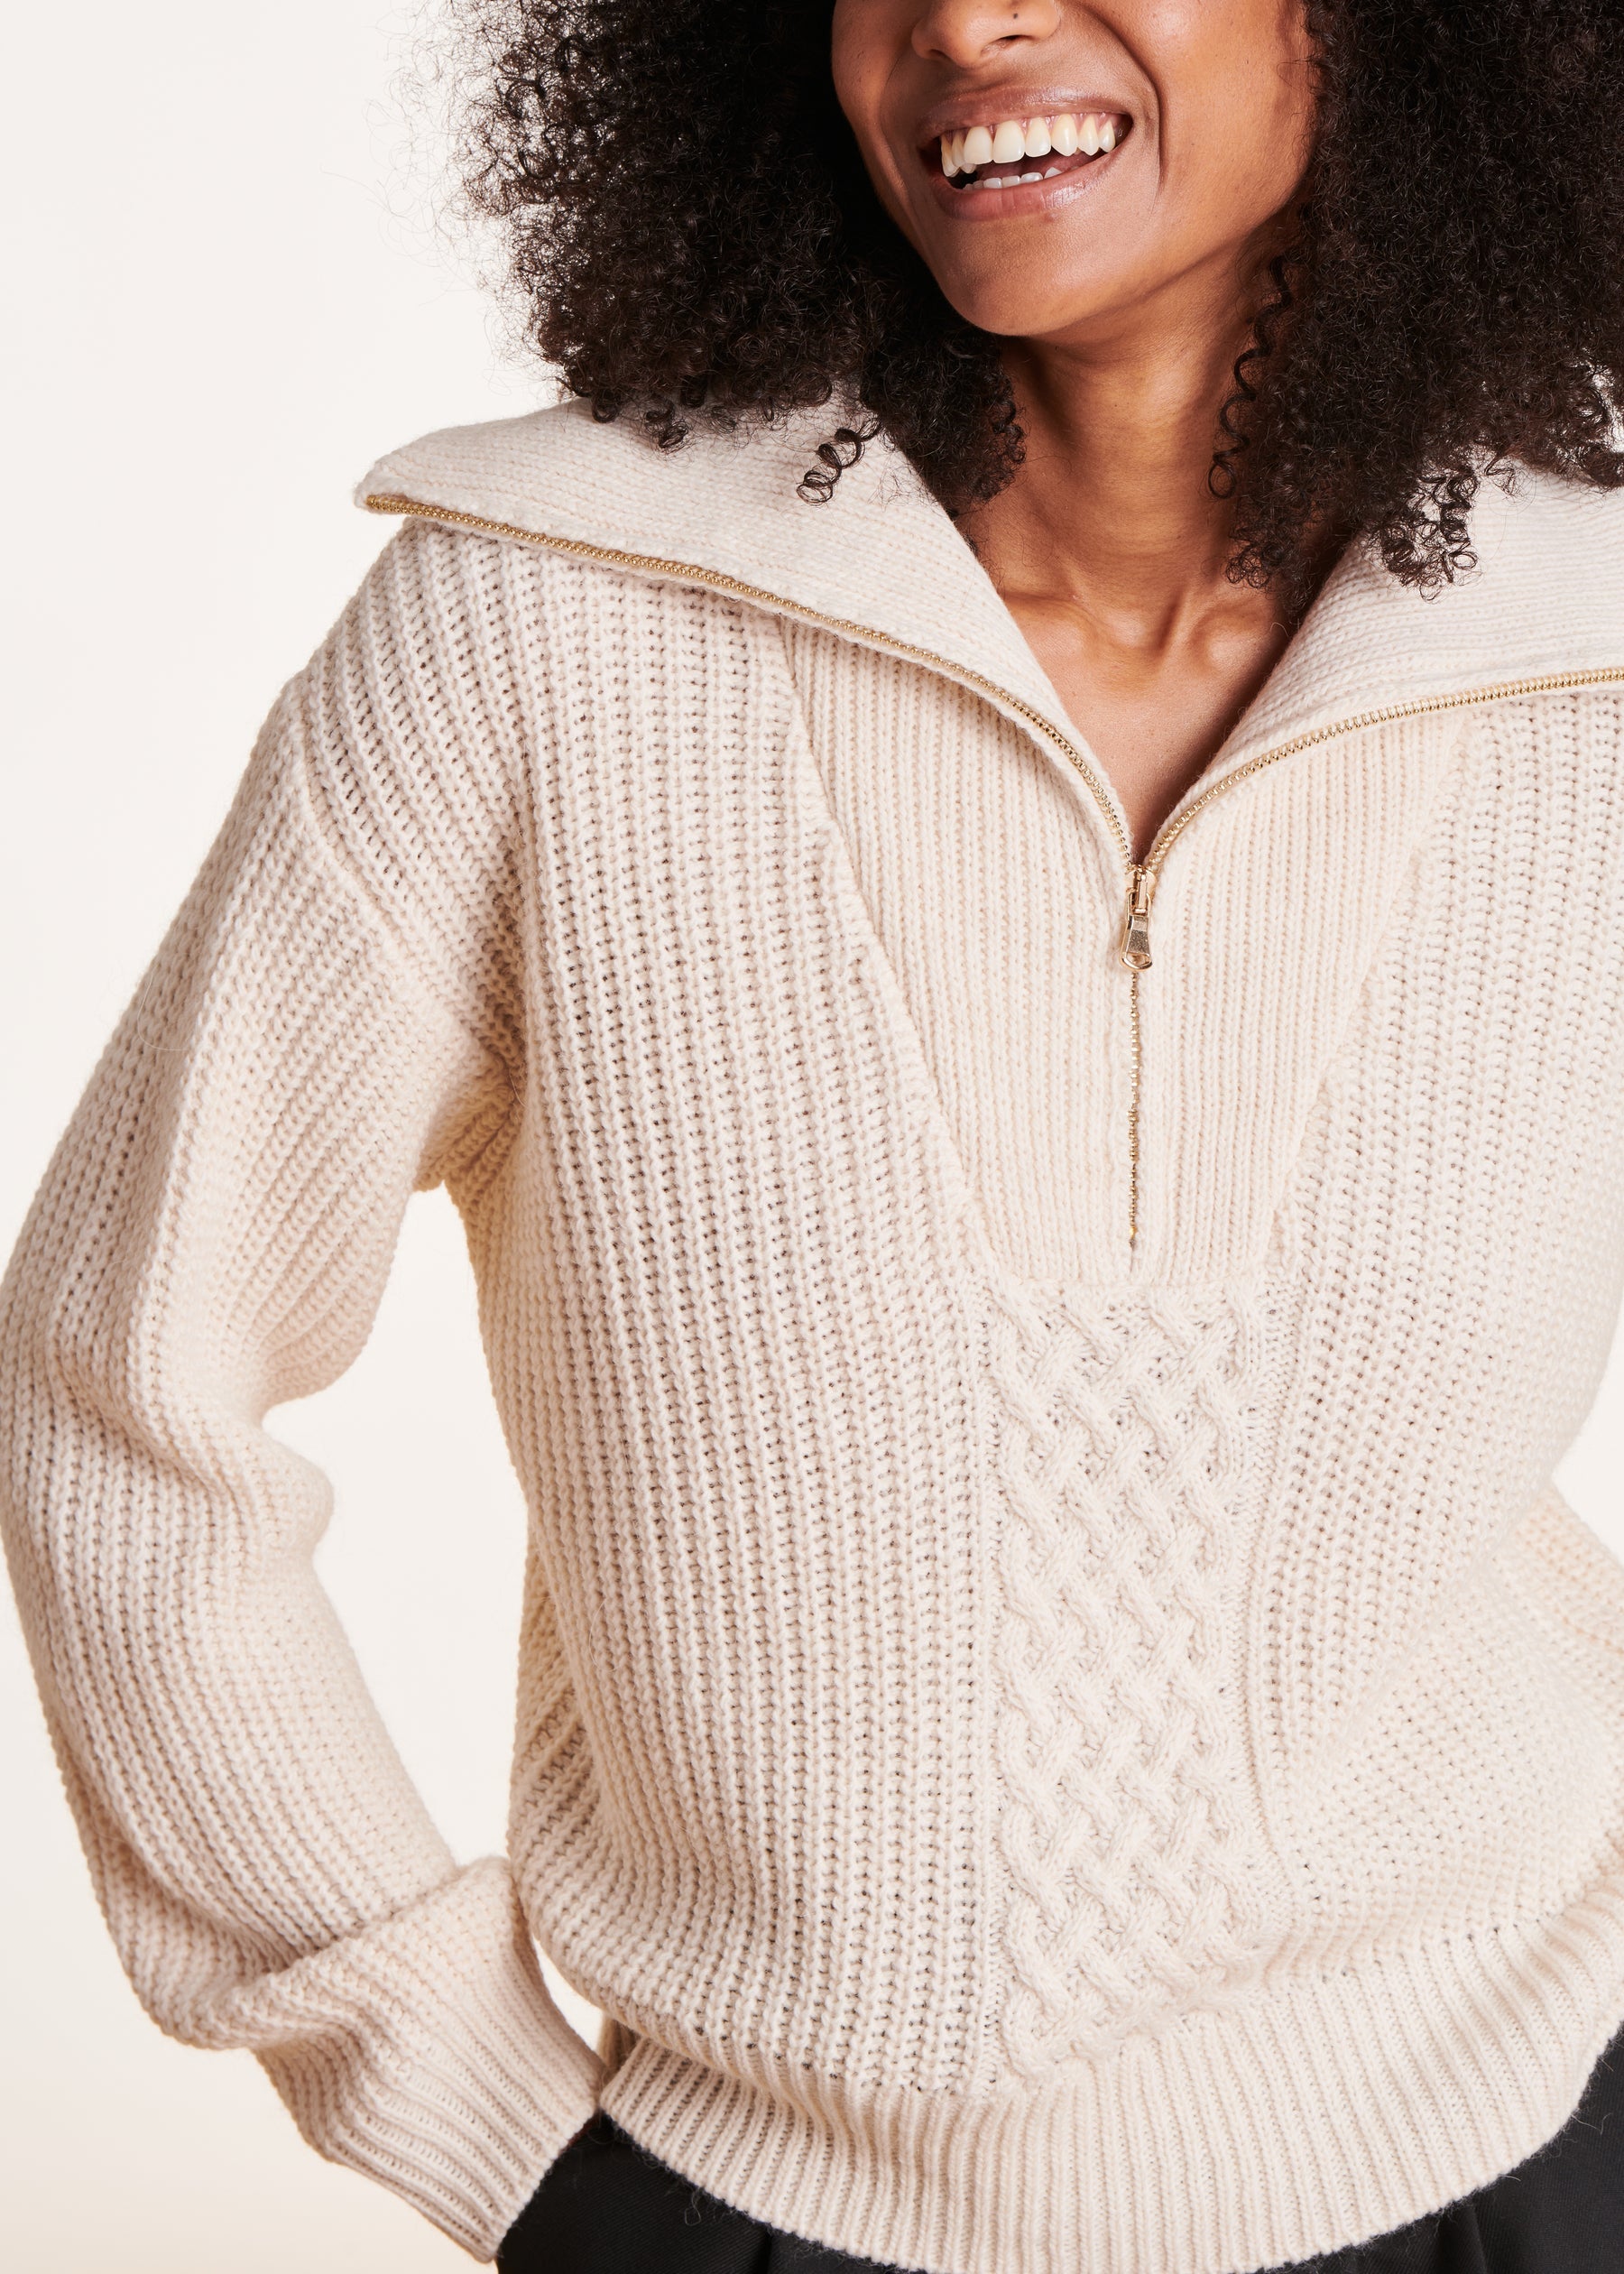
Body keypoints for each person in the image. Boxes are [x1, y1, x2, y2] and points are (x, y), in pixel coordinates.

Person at [4, 0, 1624, 2267]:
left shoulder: (1591, 668)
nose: (966, 20)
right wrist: (457, 2093)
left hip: (1532, 2154)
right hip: (767, 2213)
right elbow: (116, 1386)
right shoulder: (540, 627)